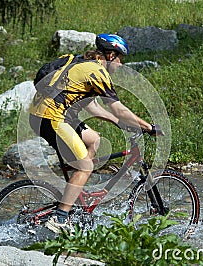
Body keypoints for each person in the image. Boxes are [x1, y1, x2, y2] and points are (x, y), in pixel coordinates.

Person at [29, 33, 163, 233]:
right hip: (50, 118)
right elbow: (118, 108)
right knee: (85, 167)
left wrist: (121, 123)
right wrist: (148, 127)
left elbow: (93, 108)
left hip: (45, 114)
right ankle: (60, 217)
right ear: (110, 56)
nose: (119, 65)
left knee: (94, 140)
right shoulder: (97, 71)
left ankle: (74, 196)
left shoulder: (84, 63)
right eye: (119, 59)